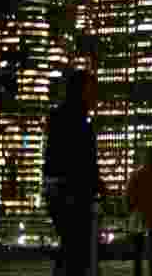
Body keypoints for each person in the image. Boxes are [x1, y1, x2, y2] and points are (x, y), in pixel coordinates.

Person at [43, 70, 103, 276]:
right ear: (82, 90)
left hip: (62, 191)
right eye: (92, 89)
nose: (96, 95)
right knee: (77, 250)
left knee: (72, 249)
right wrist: (96, 184)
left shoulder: (65, 116)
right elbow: (80, 160)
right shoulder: (75, 119)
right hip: (71, 193)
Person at [126, 145, 152, 276]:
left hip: (139, 215)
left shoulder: (136, 174)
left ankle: (138, 272)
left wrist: (130, 211)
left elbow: (129, 195)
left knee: (138, 250)